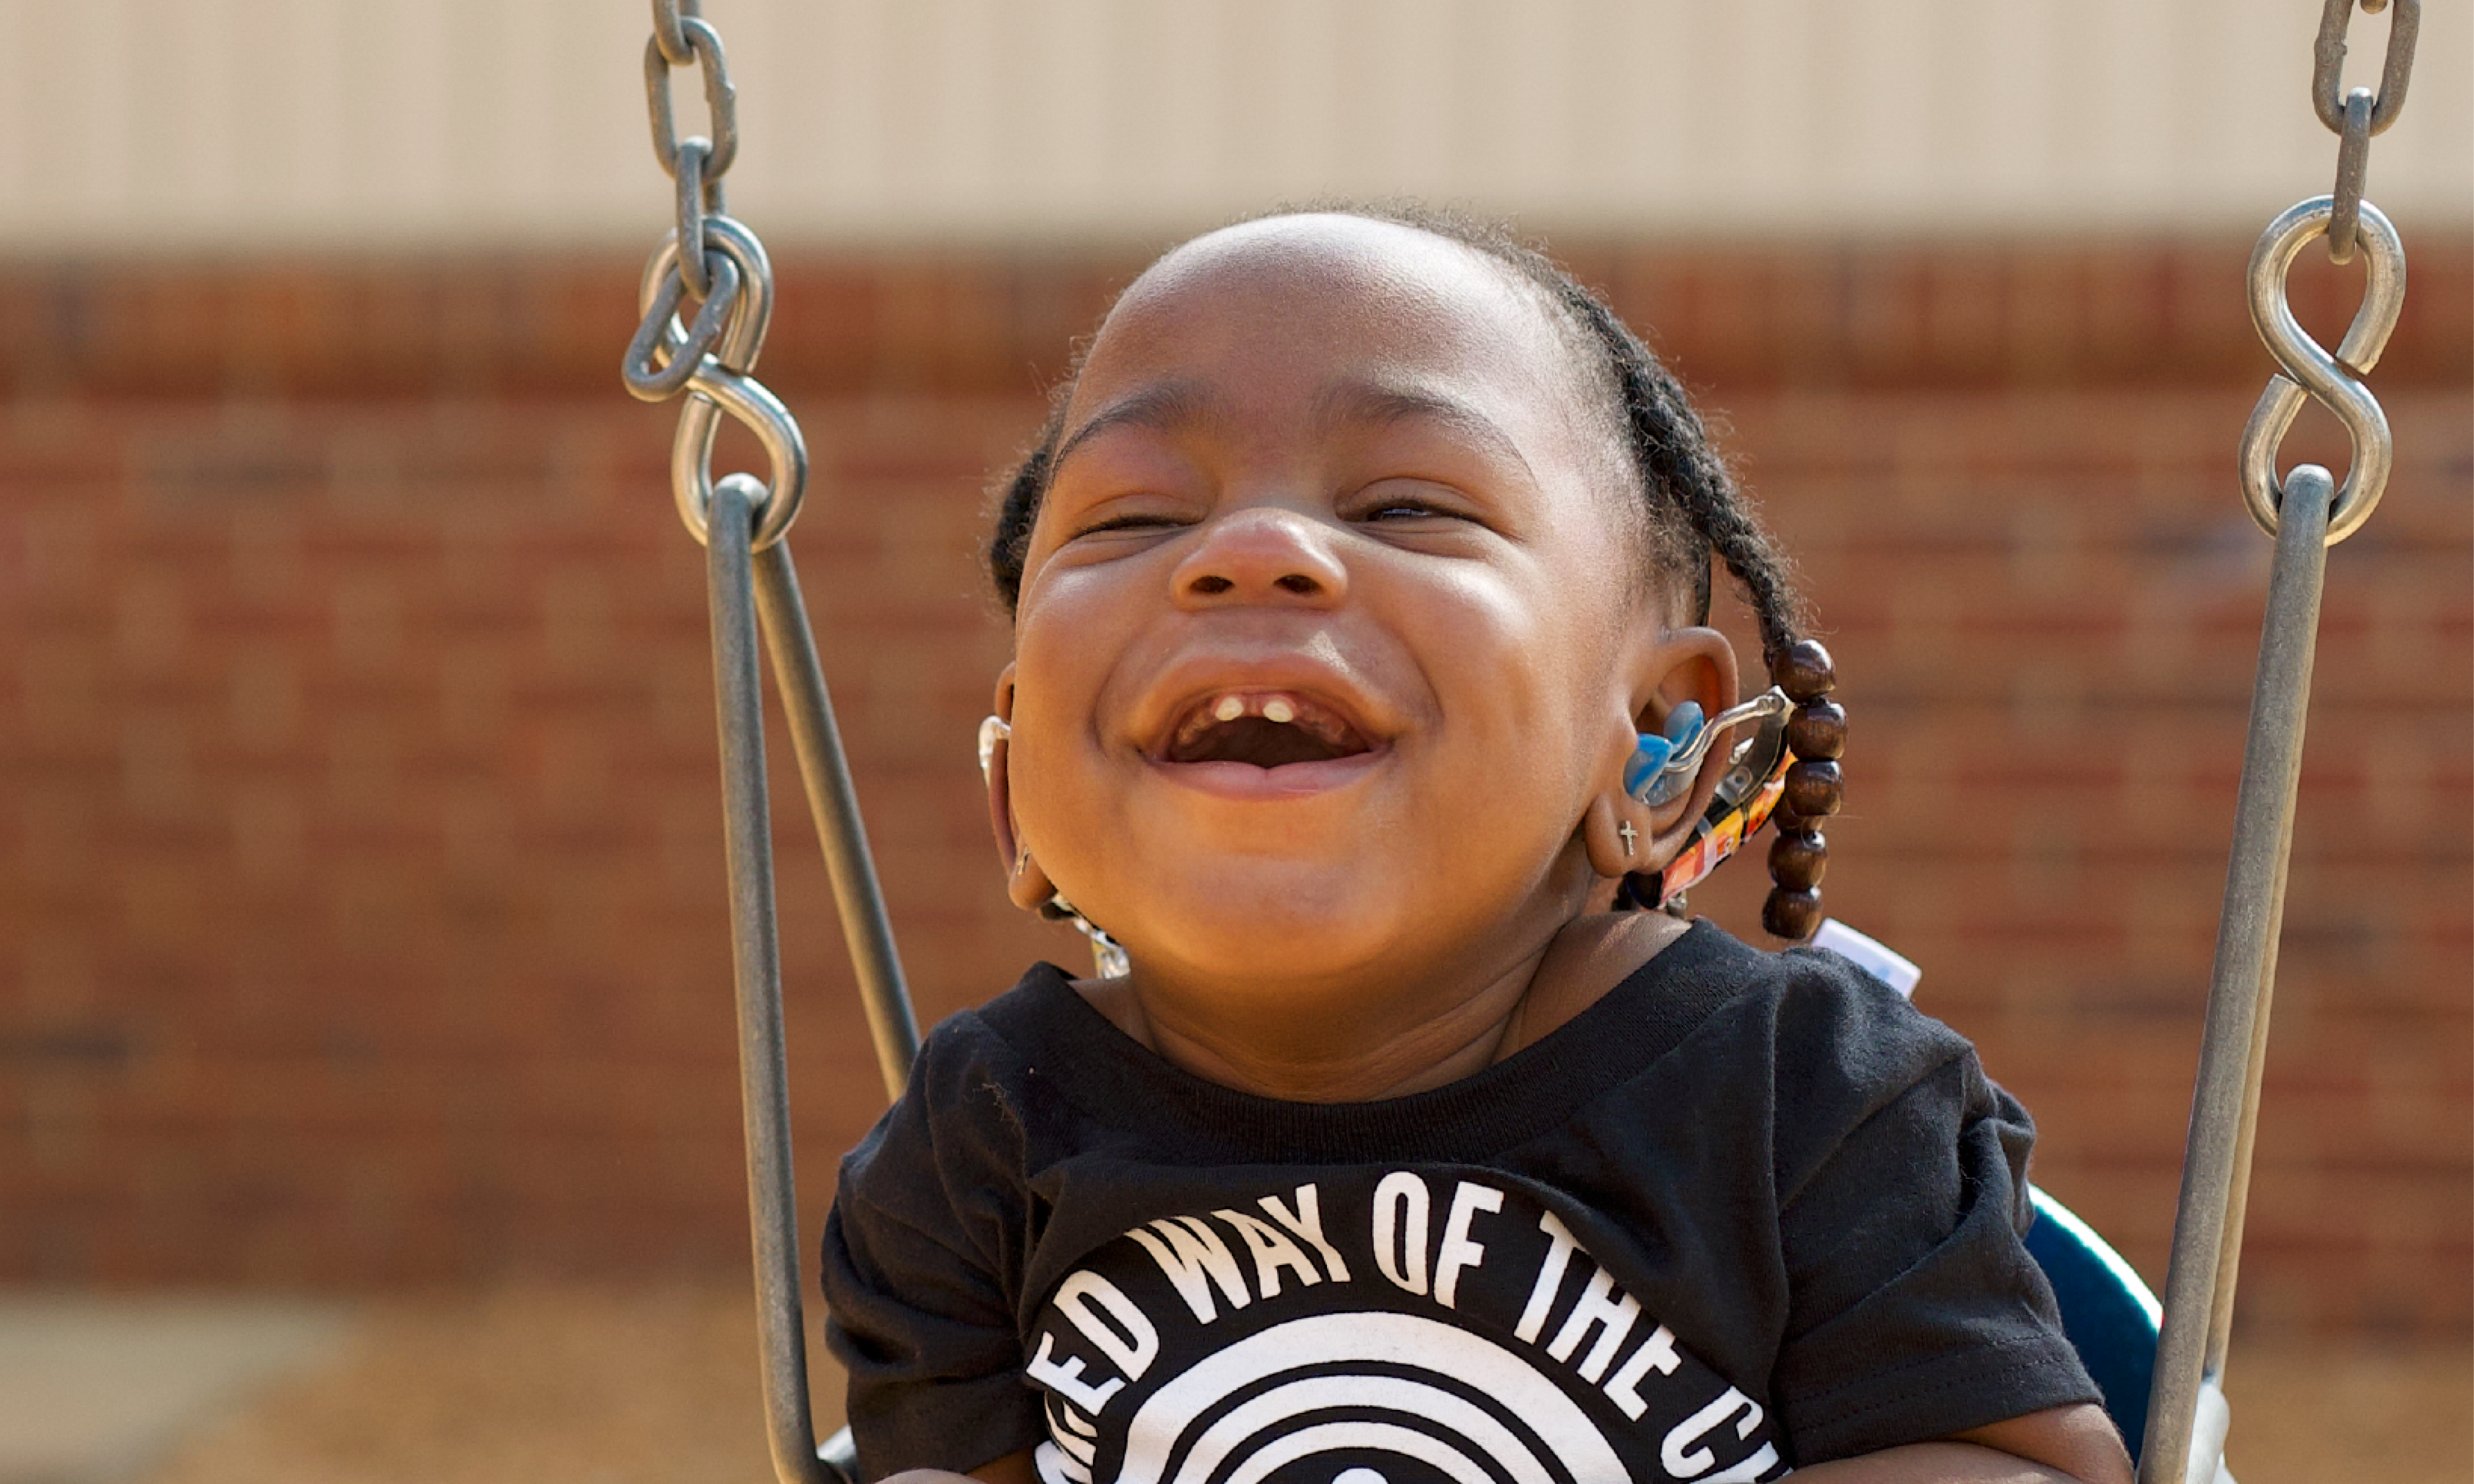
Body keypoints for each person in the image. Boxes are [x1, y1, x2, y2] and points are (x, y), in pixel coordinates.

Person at [820, 207, 2133, 1484]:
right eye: (1132, 515)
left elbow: (1996, 1459)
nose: (1253, 550)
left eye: (1402, 505)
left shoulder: (1806, 1097)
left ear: (1652, 748)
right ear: (1017, 784)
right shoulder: (976, 1134)